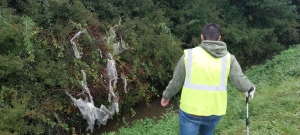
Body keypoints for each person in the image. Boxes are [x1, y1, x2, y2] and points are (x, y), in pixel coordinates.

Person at [161, 23, 256, 135]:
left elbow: (176, 82)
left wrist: (166, 96)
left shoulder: (189, 55)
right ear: (219, 38)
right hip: (215, 111)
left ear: (202, 37)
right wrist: (249, 87)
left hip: (191, 110)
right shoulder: (229, 59)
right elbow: (239, 80)